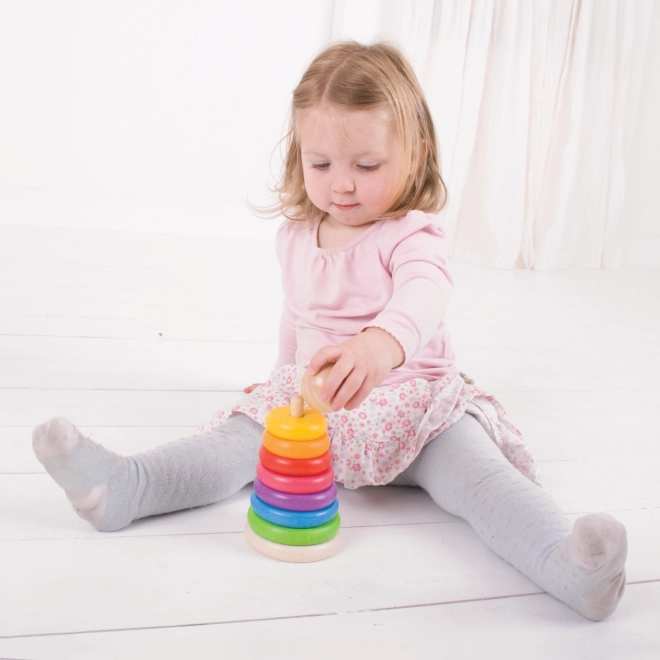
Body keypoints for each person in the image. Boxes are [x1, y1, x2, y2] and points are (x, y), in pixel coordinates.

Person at [32, 41, 626, 621]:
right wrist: (279, 380)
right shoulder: (296, 237)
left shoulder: (409, 233)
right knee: (228, 450)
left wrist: (379, 346)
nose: (342, 184)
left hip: (420, 415)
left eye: (366, 166)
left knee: (482, 482)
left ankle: (569, 568)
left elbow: (427, 292)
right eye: (321, 165)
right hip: (315, 414)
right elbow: (297, 316)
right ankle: (125, 487)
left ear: (415, 156)